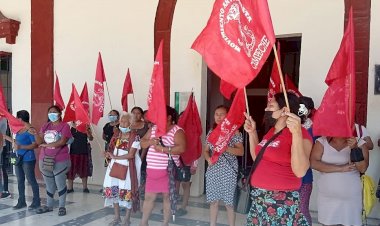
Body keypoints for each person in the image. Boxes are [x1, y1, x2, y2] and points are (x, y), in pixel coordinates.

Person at [244, 92, 312, 225]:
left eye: (271, 106)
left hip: (281, 202)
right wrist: (252, 133)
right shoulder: (271, 132)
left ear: (284, 110)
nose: (266, 109)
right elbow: (258, 159)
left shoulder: (301, 134)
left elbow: (300, 171)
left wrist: (297, 133)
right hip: (259, 200)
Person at [139, 106, 186, 226]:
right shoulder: (154, 129)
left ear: (169, 117)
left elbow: (181, 148)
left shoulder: (177, 130)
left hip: (168, 171)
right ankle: (144, 223)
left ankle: (165, 223)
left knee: (167, 197)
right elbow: (142, 143)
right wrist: (150, 142)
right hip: (152, 170)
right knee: (149, 197)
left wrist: (163, 149)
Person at [310, 136, 368, 226]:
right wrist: (340, 168)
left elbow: (362, 168)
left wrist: (354, 148)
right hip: (327, 198)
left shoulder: (359, 142)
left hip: (351, 199)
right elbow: (313, 163)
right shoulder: (322, 141)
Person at [203, 105, 244, 226]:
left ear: (228, 117)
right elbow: (205, 150)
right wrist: (208, 159)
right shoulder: (212, 131)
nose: (219, 117)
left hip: (228, 171)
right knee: (213, 201)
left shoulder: (234, 131)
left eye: (222, 114)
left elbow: (241, 151)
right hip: (213, 170)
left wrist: (225, 148)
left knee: (229, 203)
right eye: (216, 114)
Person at [31, 105, 72, 216]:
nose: (52, 114)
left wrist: (47, 144)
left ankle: (62, 206)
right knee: (49, 184)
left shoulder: (65, 126)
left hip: (60, 160)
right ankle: (49, 205)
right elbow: (39, 142)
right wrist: (35, 134)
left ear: (59, 114)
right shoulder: (46, 126)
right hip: (44, 159)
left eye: (54, 112)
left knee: (60, 184)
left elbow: (62, 142)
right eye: (50, 112)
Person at [103, 113, 142, 226]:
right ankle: (117, 217)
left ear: (131, 124)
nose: (123, 123)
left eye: (125, 122)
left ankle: (127, 219)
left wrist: (115, 157)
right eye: (122, 121)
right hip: (114, 167)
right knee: (114, 190)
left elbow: (131, 155)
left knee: (127, 192)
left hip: (128, 168)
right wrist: (107, 154)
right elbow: (111, 149)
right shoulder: (116, 135)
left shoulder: (135, 137)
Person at [12, 110, 41, 210]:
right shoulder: (20, 129)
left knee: (31, 180)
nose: (16, 119)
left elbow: (35, 144)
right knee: (20, 180)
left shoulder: (30, 129)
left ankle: (36, 201)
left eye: (17, 118)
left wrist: (21, 147)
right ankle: (21, 201)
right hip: (18, 158)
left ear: (20, 119)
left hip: (28, 159)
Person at [298, 96, 316, 225]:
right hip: (287, 176)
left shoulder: (315, 130)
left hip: (304, 178)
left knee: (302, 210)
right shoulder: (288, 127)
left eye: (301, 107)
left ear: (309, 111)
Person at [67, 123, 93, 193]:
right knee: (71, 170)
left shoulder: (86, 126)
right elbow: (66, 138)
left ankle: (85, 187)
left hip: (83, 151)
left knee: (84, 169)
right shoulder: (70, 127)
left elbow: (91, 138)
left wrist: (88, 132)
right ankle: (70, 188)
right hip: (72, 151)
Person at [130, 107, 149, 203]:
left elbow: (146, 143)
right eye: (133, 113)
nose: (136, 115)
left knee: (141, 174)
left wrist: (142, 157)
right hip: (130, 154)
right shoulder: (128, 125)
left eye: (138, 113)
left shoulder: (145, 126)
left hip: (142, 153)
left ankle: (141, 196)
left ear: (141, 115)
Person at [0, 118, 10, 199]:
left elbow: (2, 133)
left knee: (3, 169)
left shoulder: (2, 119)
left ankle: (5, 190)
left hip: (1, 147)